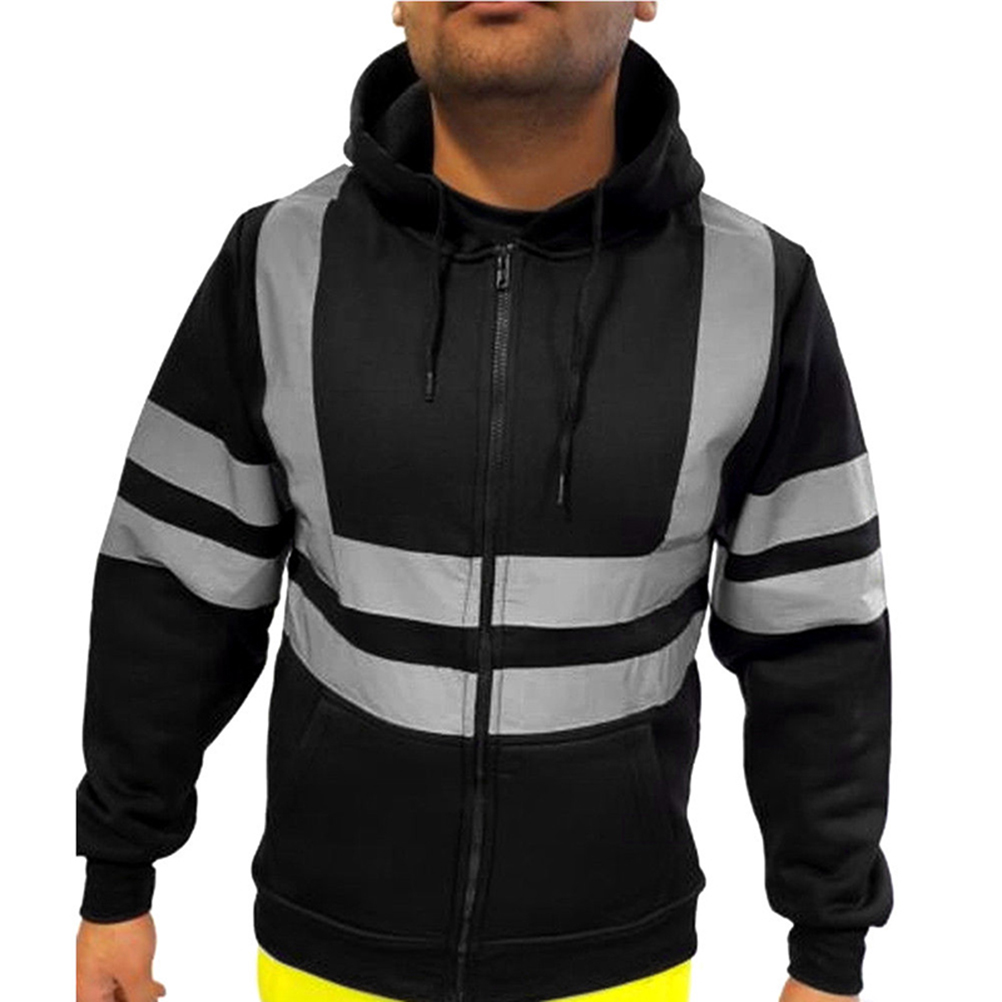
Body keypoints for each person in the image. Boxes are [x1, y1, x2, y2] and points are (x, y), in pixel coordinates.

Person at [75, 3, 894, 1002]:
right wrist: (117, 878)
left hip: (614, 960)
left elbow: (815, 633)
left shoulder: (757, 289)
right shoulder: (279, 259)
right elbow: (175, 586)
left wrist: (828, 945)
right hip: (326, 949)